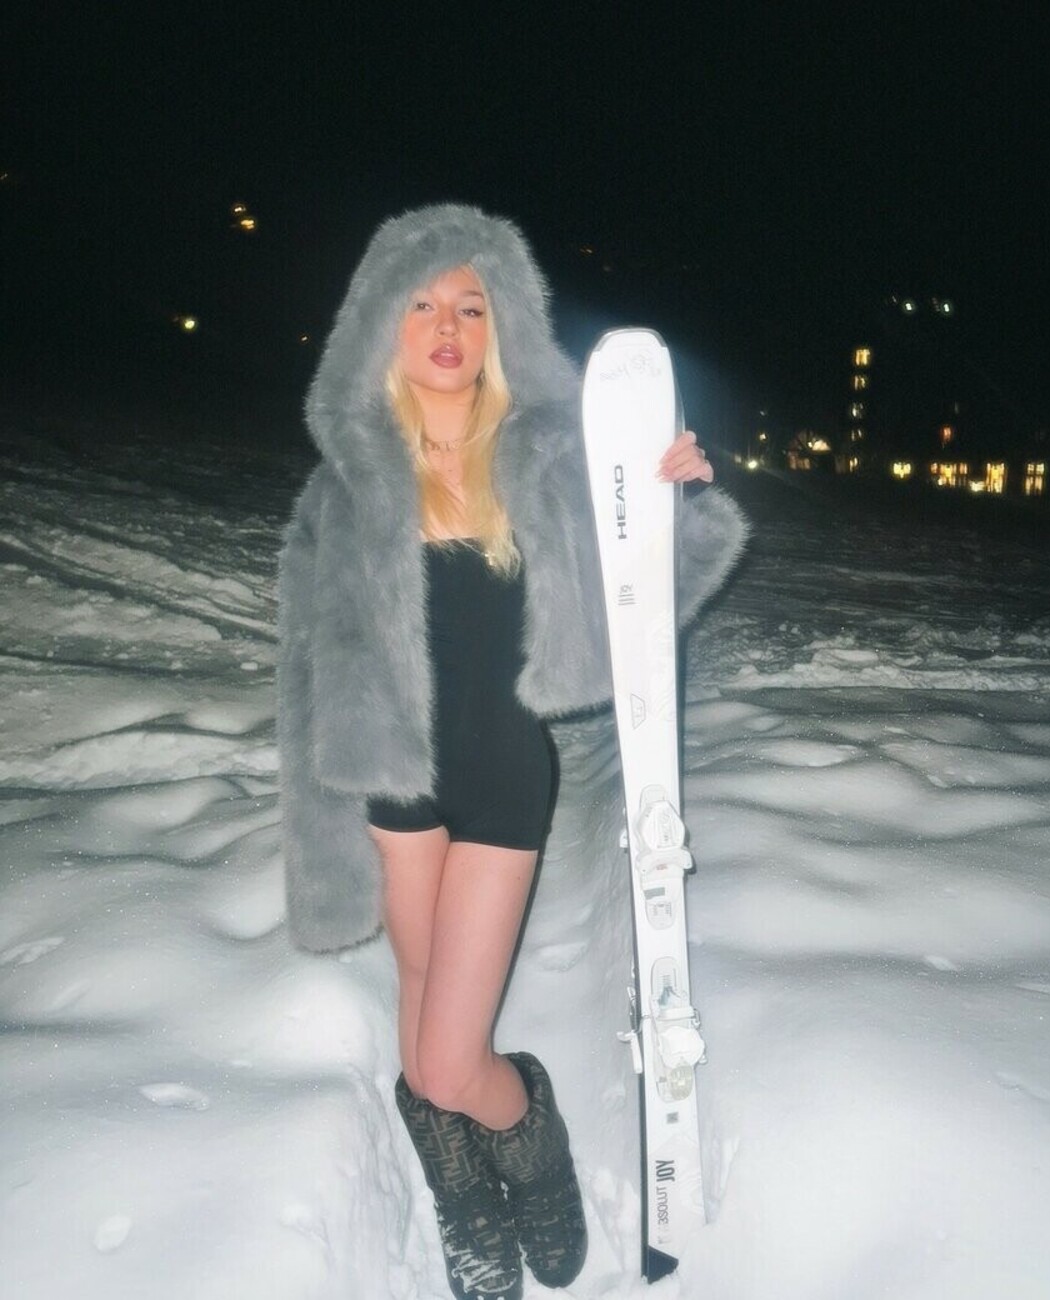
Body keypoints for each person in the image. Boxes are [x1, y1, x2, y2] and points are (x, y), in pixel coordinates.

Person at [277, 204, 746, 1299]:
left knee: (450, 1061)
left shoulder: (546, 461)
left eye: (471, 306)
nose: (447, 326)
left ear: (502, 329)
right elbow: (304, 678)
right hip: (396, 791)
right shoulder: (343, 491)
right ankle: (464, 1193)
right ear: (380, 325)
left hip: (501, 781)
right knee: (419, 1026)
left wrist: (679, 499)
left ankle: (530, 1139)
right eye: (423, 304)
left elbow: (645, 591)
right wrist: (319, 843)